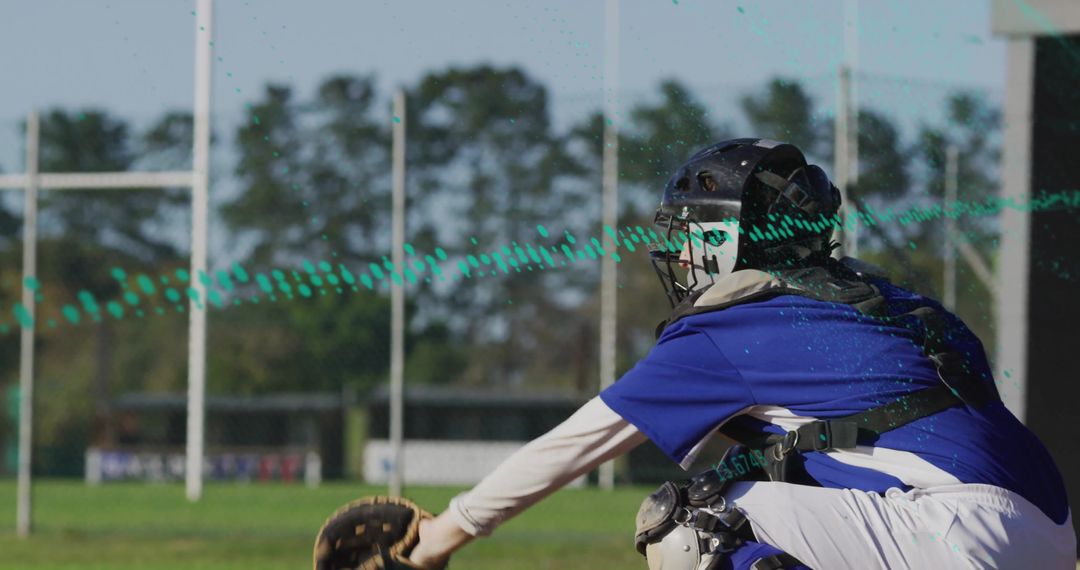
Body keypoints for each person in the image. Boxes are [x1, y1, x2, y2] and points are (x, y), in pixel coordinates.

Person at [405, 138, 1075, 569]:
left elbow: (577, 444)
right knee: (766, 473)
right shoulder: (890, 300)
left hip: (963, 535)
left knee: (692, 520)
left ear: (732, 241)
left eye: (695, 231)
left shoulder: (733, 327)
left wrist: (438, 540)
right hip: (1048, 531)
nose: (682, 251)